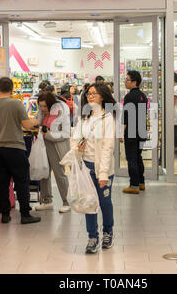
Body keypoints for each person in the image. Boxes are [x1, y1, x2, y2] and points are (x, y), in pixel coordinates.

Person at [0, 77, 41, 225]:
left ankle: (5, 214)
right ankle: (25, 214)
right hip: (16, 148)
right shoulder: (16, 104)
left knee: (2, 181)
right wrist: (37, 121)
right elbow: (26, 125)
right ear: (12, 89)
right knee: (21, 181)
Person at [71, 83, 116, 254]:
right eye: (88, 94)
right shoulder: (84, 118)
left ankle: (108, 232)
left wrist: (103, 173)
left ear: (102, 96)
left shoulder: (108, 118)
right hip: (86, 167)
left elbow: (107, 147)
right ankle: (92, 237)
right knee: (89, 202)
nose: (90, 97)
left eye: (94, 94)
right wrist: (77, 147)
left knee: (104, 202)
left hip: (102, 168)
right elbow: (75, 138)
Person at [35, 92, 71, 213]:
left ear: (51, 104)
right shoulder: (41, 112)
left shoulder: (62, 111)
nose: (43, 109)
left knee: (59, 174)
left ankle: (67, 202)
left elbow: (66, 134)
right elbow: (37, 122)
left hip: (56, 145)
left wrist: (50, 135)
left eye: (45, 106)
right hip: (43, 144)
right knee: (44, 172)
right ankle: (47, 201)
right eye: (41, 106)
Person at [120, 71, 148, 194]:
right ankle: (141, 182)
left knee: (131, 158)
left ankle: (134, 185)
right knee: (138, 157)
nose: (125, 82)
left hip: (131, 131)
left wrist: (121, 132)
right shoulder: (143, 96)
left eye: (127, 80)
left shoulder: (129, 97)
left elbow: (125, 117)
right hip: (141, 130)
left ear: (134, 82)